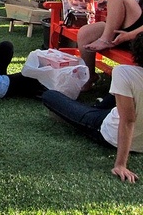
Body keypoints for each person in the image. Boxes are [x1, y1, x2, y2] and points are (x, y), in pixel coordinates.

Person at [42, 32, 143, 183]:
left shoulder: (124, 72)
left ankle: (92, 110)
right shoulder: (128, 75)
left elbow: (128, 121)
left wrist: (121, 164)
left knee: (50, 95)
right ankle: (96, 107)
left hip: (109, 132)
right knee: (119, 94)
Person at [77, 0, 143, 90]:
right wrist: (110, 3)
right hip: (122, 31)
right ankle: (89, 77)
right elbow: (129, 6)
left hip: (136, 37)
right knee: (85, 33)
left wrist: (129, 36)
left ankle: (105, 39)